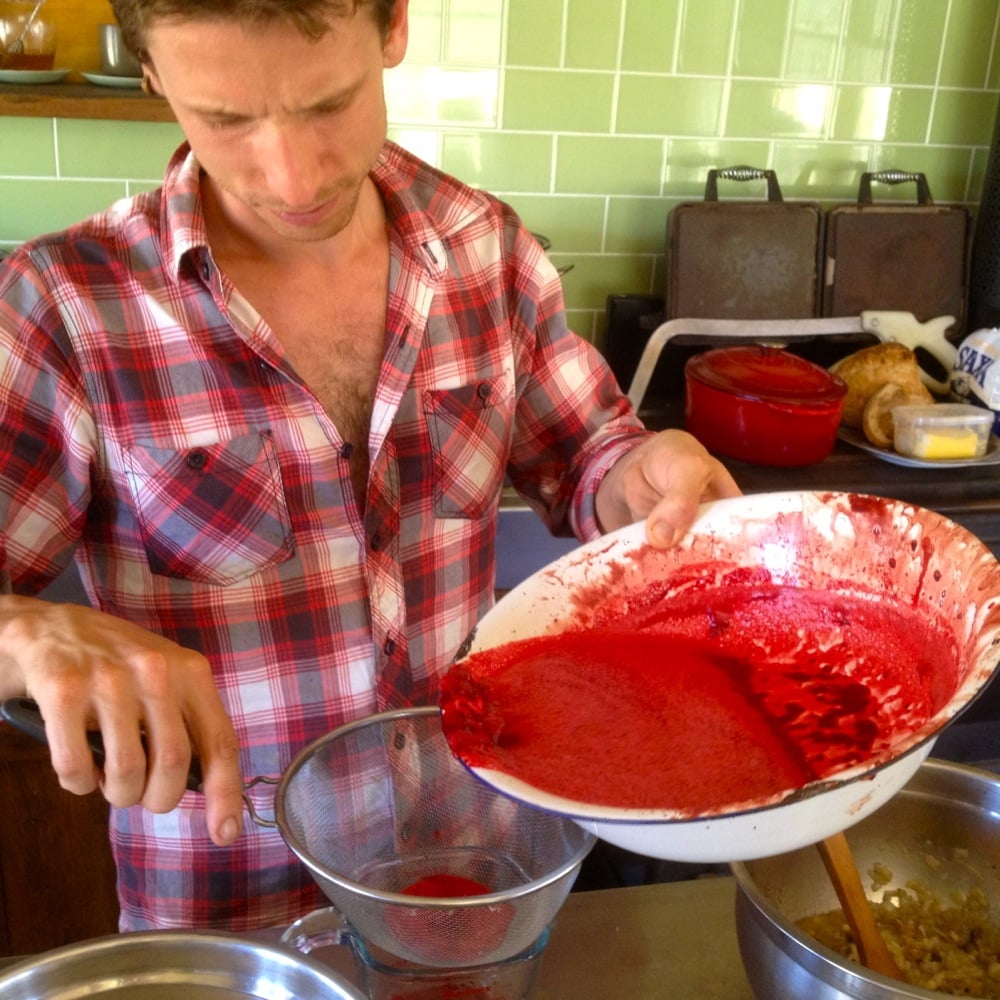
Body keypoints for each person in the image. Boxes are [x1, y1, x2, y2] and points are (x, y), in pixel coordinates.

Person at [0, 0, 739, 933]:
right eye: (226, 119)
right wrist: (23, 635)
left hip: (469, 873)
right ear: (153, 78)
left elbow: (590, 456)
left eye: (327, 104)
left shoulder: (489, 252)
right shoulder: (64, 306)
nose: (291, 174)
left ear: (392, 27)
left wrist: (642, 474)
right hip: (232, 915)